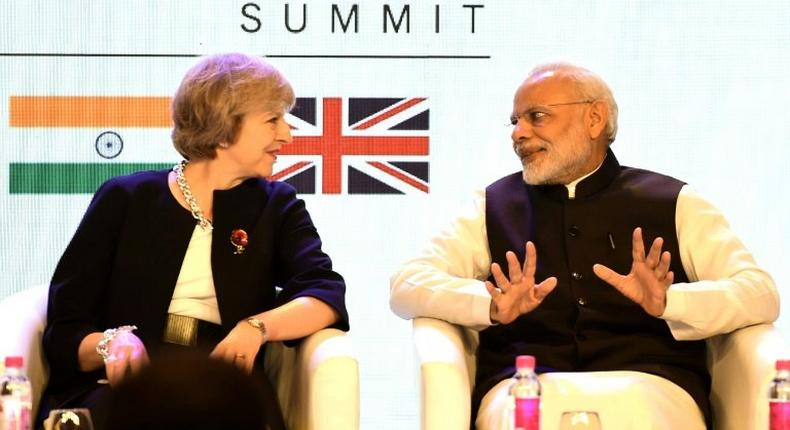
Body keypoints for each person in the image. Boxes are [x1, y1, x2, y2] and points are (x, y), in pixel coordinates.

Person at [389, 62, 778, 429]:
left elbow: (759, 293)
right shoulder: (492, 205)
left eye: (536, 116)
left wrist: (671, 302)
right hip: (526, 386)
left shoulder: (671, 200)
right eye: (515, 121)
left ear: (594, 119)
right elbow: (407, 284)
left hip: (649, 389)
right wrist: (489, 303)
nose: (518, 133)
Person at [38, 53, 349, 430]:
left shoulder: (276, 205)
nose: (286, 134)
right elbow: (65, 328)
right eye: (272, 120)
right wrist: (111, 343)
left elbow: (324, 294)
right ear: (223, 127)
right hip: (130, 385)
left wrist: (257, 327)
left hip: (226, 388)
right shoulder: (126, 197)